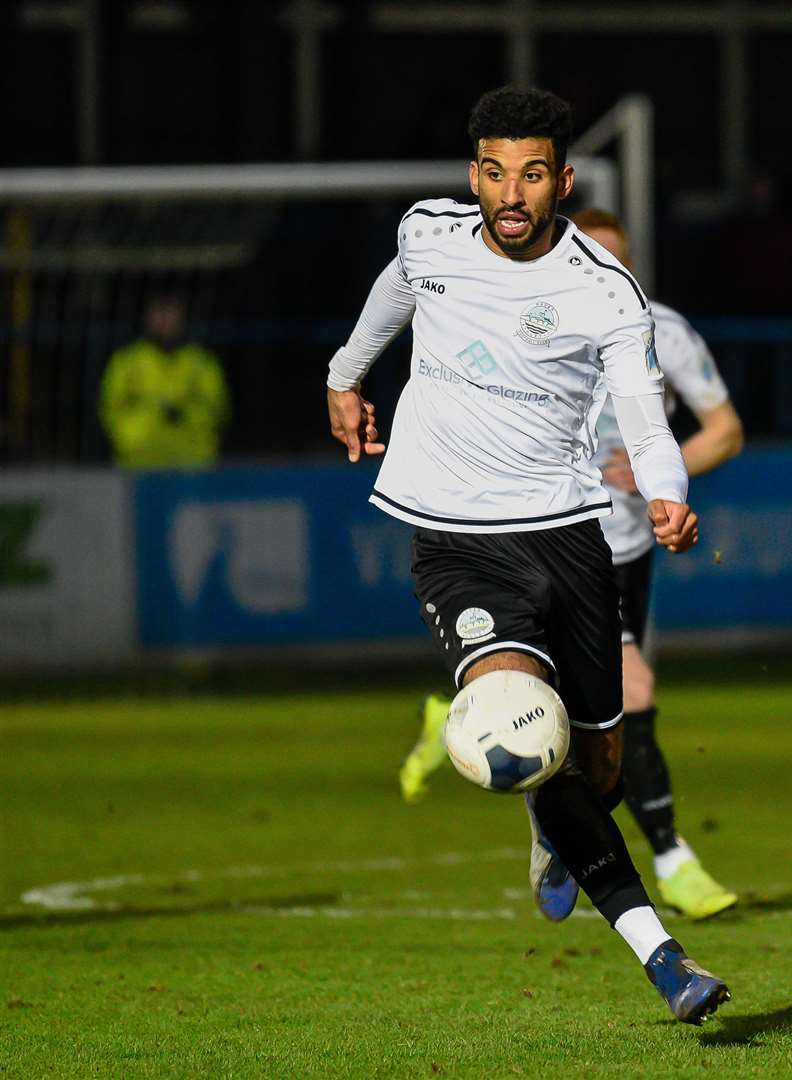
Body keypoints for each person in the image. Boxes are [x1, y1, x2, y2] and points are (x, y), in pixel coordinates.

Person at [325, 85, 729, 1025]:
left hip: (568, 535)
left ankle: (553, 830)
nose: (512, 193)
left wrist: (668, 490)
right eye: (495, 173)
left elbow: (642, 412)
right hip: (460, 545)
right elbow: (395, 286)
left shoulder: (601, 289)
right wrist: (348, 374)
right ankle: (665, 960)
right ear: (474, 176)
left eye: (533, 174)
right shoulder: (428, 234)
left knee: (601, 765)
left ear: (563, 180)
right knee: (519, 729)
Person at [398, 207, 745, 921]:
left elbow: (725, 431)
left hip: (629, 550)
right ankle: (672, 857)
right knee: (637, 690)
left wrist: (661, 477)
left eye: (611, 257)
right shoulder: (510, 314)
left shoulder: (660, 330)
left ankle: (481, 729)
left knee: (599, 726)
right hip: (547, 543)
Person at [99, 296, 230, 468]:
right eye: (159, 315)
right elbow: (110, 407)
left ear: (182, 319)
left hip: (193, 459)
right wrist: (128, 438)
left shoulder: (201, 362)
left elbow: (217, 407)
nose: (165, 322)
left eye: (171, 315)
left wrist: (186, 415)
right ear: (147, 319)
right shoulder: (127, 361)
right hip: (139, 459)